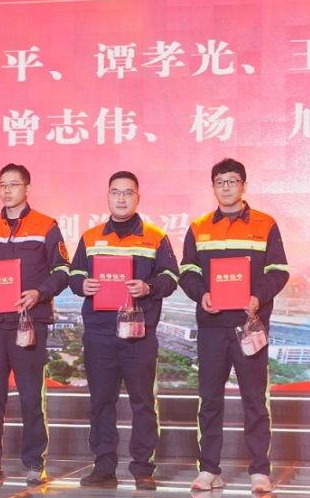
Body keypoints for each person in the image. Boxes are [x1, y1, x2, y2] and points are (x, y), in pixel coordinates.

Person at [179, 158, 289, 494]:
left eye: (232, 181)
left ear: (244, 185)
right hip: (212, 326)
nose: (226, 187)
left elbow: (279, 270)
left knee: (255, 399)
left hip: (249, 326)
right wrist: (202, 294)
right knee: (209, 399)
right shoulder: (199, 227)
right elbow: (188, 271)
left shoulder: (265, 224)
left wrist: (257, 297)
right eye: (220, 182)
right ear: (213, 187)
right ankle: (209, 470)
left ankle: (259, 471)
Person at [68, 171, 179, 491]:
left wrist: (148, 286)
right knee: (101, 402)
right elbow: (73, 275)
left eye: (128, 193)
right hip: (100, 333)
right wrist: (82, 285)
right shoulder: (90, 237)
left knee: (143, 402)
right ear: (107, 196)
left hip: (138, 333)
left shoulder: (155, 237)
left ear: (138, 198)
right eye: (115, 192)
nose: (121, 198)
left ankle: (143, 468)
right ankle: (104, 467)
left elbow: (172, 277)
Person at [0, 163, 70, 485]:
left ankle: (34, 463)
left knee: (30, 396)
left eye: (13, 184)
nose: (7, 190)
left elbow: (63, 270)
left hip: (29, 322)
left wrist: (40, 293)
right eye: (2, 185)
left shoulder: (46, 226)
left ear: (27, 189)